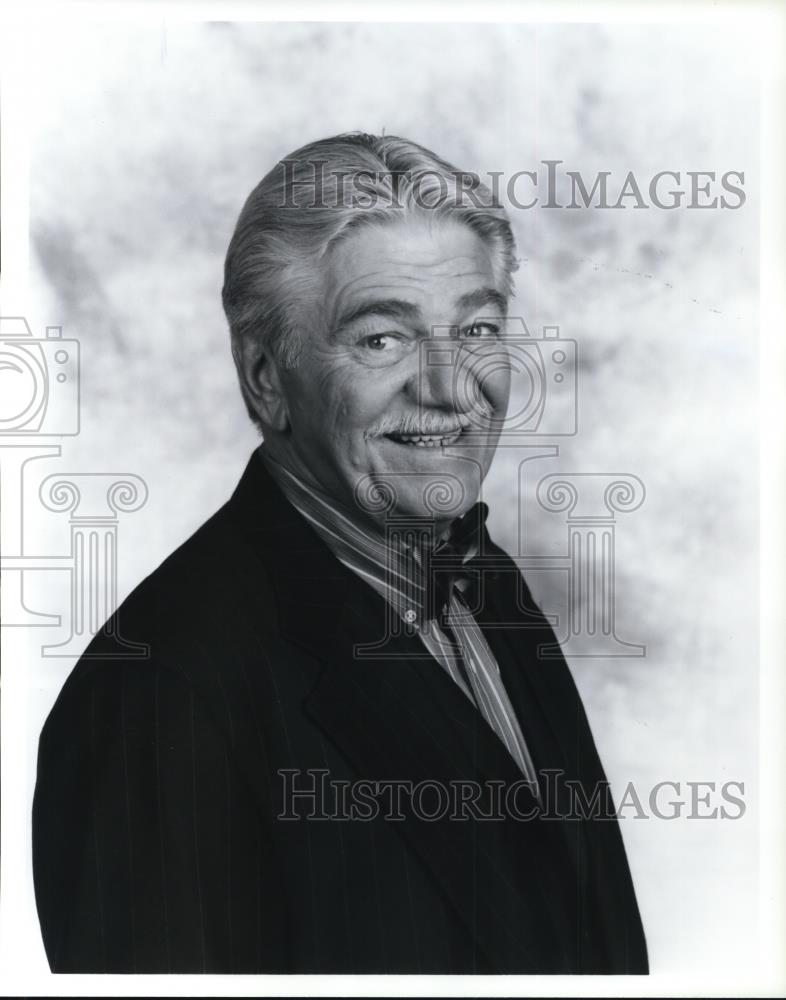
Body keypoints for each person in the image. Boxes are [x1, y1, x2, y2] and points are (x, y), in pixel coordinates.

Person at [32, 132, 648, 974]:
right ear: (266, 378)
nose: (449, 388)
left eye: (476, 327)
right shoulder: (157, 695)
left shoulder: (481, 581)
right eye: (381, 340)